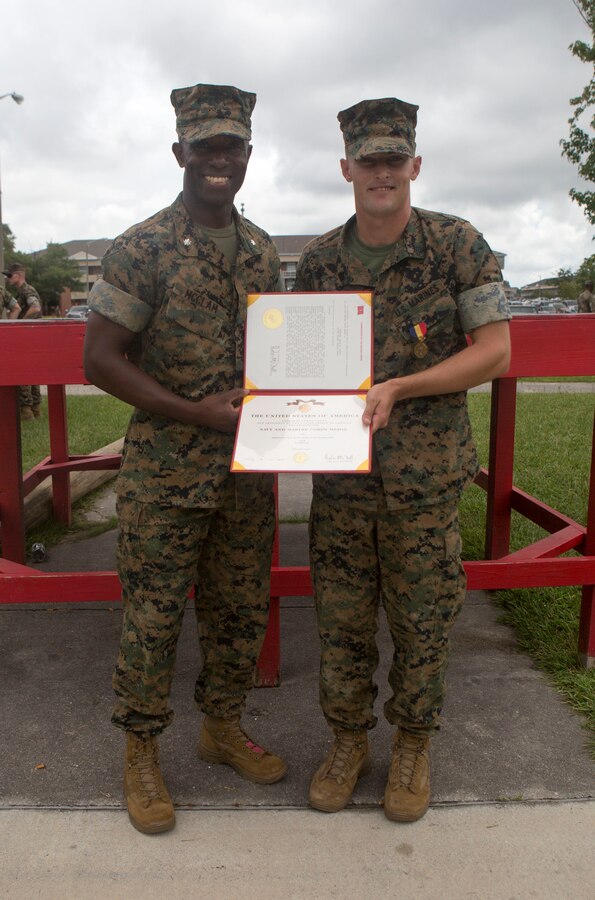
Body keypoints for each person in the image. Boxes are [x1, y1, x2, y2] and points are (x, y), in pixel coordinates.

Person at [294, 97, 511, 823]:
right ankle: (347, 741)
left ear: (413, 166)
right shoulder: (321, 260)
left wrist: (401, 386)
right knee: (343, 622)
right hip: (343, 476)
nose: (380, 172)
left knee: (422, 619)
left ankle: (412, 745)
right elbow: (297, 364)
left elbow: (494, 351)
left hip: (422, 480)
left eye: (393, 160)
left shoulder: (456, 244)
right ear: (345, 168)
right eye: (367, 161)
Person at [84, 83, 286, 835]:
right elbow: (100, 360)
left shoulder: (263, 249)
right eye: (204, 146)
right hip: (168, 473)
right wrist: (194, 412)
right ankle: (141, 753)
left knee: (238, 611)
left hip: (246, 471)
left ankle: (221, 727)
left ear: (247, 156)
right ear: (180, 153)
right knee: (154, 617)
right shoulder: (143, 247)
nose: (218, 159)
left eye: (230, 147)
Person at [2, 264, 43, 420]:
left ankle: (27, 412)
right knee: (32, 374)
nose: (7, 278)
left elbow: (35, 308)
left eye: (9, 275)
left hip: (28, 336)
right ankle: (35, 410)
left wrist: (20, 323)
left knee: (23, 373)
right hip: (32, 336)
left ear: (18, 275)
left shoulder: (27, 290)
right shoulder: (21, 291)